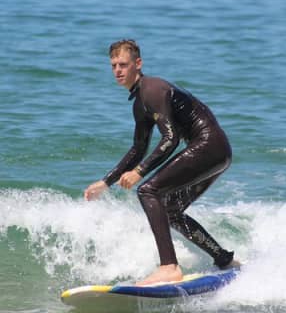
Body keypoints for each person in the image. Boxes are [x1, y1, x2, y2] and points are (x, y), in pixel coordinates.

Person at [84, 39, 238, 286]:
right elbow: (138, 149)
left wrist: (139, 172)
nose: (117, 70)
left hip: (209, 146)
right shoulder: (139, 102)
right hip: (216, 150)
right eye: (113, 65)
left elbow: (171, 138)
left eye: (123, 64)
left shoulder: (152, 90)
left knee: (148, 191)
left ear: (138, 63)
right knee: (171, 211)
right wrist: (106, 182)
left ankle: (168, 267)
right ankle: (224, 259)